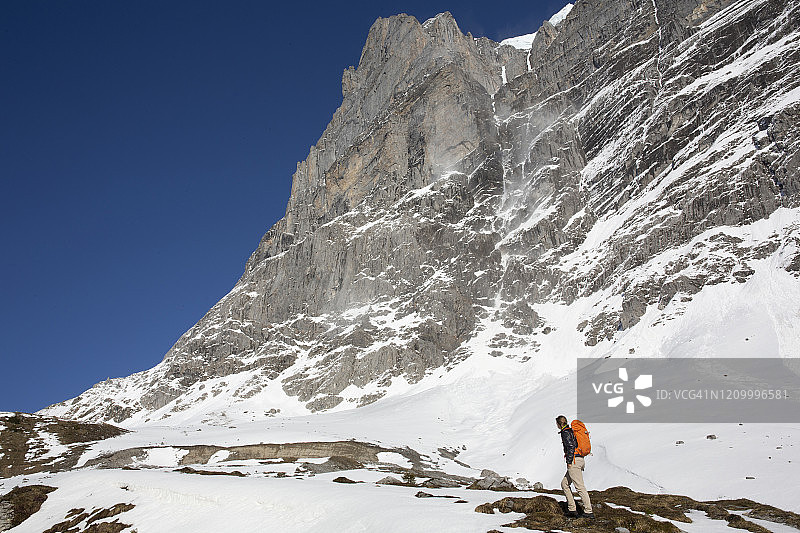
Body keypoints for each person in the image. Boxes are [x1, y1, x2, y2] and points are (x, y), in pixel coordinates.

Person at [556, 415, 594, 518]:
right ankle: (572, 509)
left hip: (574, 462)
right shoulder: (571, 431)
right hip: (579, 460)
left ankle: (588, 511)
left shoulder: (565, 432)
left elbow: (570, 446)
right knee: (564, 484)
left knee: (579, 487)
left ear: (559, 424)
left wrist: (569, 462)